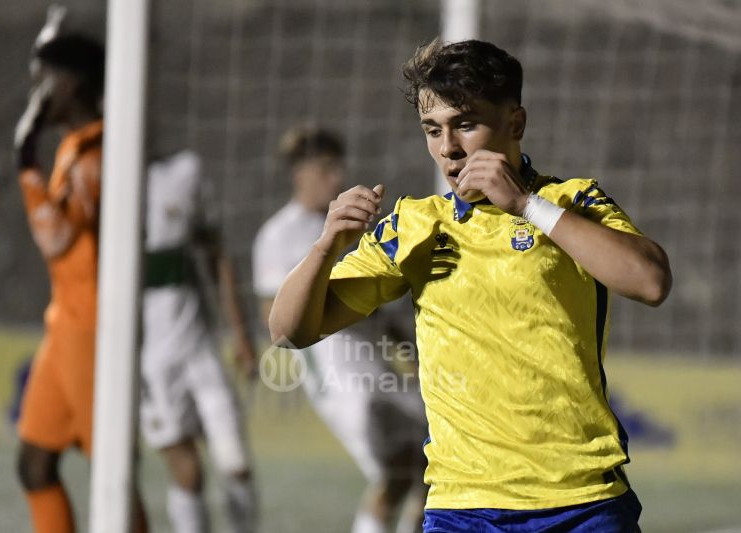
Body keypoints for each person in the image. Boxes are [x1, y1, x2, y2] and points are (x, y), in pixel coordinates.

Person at [268, 38, 673, 533]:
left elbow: (651, 281)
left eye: (465, 124)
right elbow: (288, 331)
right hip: (463, 509)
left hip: (581, 501)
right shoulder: (415, 225)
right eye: (432, 129)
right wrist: (325, 247)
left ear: (515, 124)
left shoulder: (569, 201)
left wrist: (527, 206)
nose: (448, 148)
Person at [254, 126, 429, 533]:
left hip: (377, 366)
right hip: (338, 375)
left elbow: (380, 312)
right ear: (300, 171)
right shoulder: (279, 236)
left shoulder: (351, 225)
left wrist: (413, 355)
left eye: (340, 167)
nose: (338, 177)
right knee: (393, 473)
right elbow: (276, 322)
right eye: (326, 168)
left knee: (429, 466)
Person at [13, 22, 148, 533]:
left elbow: (55, 239)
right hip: (66, 321)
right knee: (34, 463)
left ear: (69, 84)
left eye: (44, 78)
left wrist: (25, 155)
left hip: (94, 330)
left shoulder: (99, 155)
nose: (37, 90)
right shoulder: (81, 142)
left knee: (112, 477)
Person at [139, 147, 258, 533]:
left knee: (235, 463)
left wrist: (240, 334)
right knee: (186, 471)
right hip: (147, 360)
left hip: (200, 350)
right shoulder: (97, 180)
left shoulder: (182, 174)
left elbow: (218, 256)